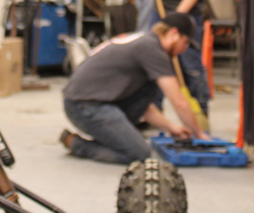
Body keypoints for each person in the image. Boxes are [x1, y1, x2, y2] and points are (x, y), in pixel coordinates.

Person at [60, 13, 210, 165]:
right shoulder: (152, 49)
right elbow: (180, 102)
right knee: (138, 153)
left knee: (149, 89)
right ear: (173, 34)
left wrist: (171, 127)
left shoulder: (146, 41)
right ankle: (77, 144)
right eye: (185, 43)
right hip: (84, 106)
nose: (184, 50)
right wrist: (199, 134)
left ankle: (115, 137)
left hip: (91, 102)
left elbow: (144, 105)